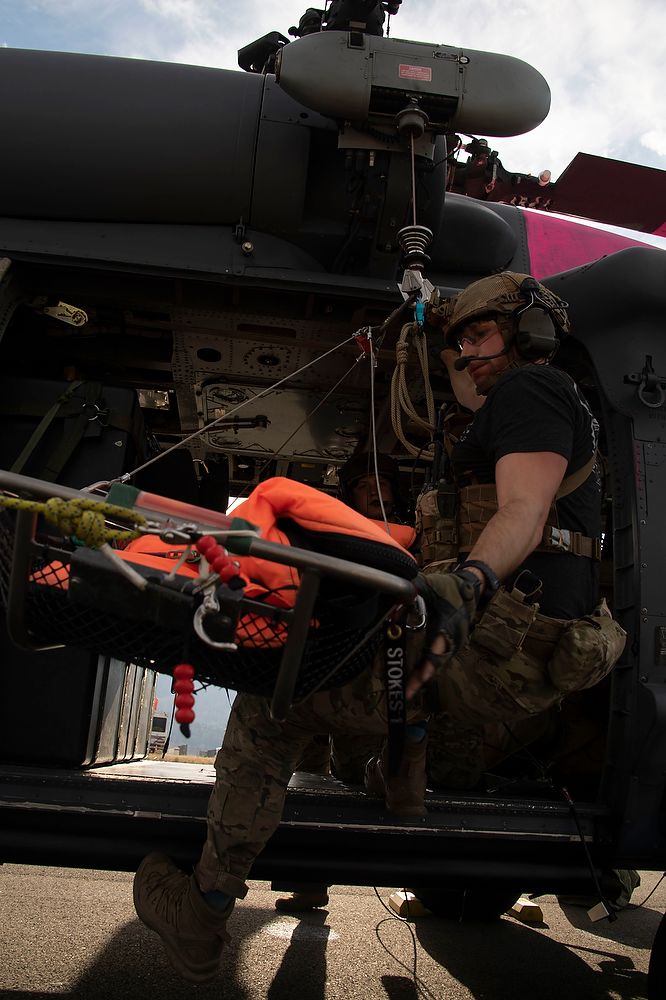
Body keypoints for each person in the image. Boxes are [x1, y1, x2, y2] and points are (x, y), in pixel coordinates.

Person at [132, 272, 625, 983]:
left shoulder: (532, 392)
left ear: (531, 334)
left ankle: (202, 913)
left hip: (499, 646)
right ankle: (402, 778)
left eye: (480, 336)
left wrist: (472, 578)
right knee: (388, 650)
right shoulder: (519, 404)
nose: (467, 355)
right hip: (515, 651)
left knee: (274, 709)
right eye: (459, 343)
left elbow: (525, 508)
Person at [275, 450, 414, 914]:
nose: (375, 492)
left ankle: (397, 867)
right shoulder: (330, 529)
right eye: (363, 486)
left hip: (371, 681)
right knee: (304, 779)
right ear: (348, 492)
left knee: (359, 779)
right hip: (319, 671)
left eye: (384, 484)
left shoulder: (413, 539)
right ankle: (310, 882)